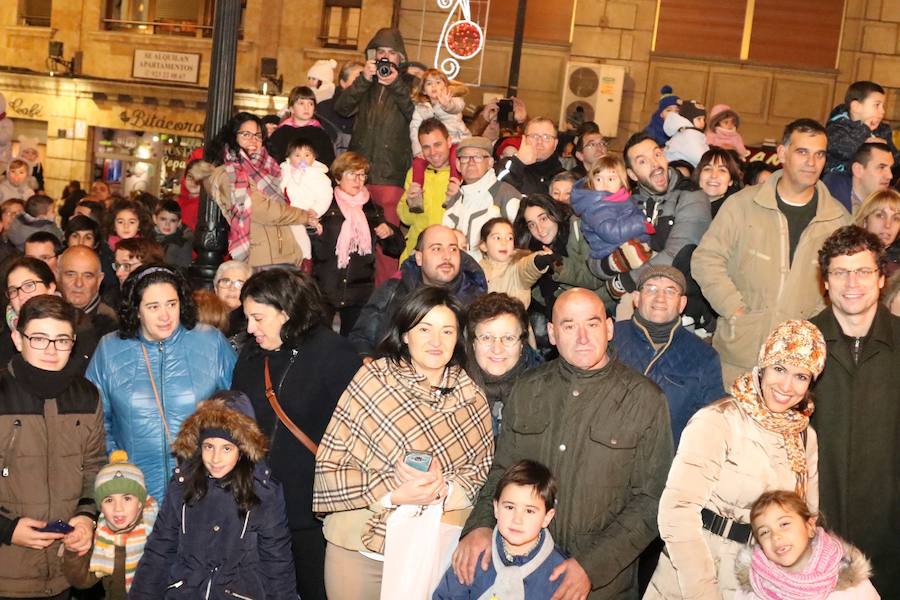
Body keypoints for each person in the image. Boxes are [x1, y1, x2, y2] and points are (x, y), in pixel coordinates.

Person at [453, 288, 673, 599]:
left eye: (592, 324)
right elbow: (503, 470)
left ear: (609, 328)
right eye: (569, 326)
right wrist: (479, 525)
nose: (582, 337)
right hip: (521, 577)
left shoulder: (645, 400)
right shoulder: (529, 389)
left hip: (603, 586)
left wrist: (590, 567)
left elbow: (653, 500)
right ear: (553, 334)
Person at [313, 286, 493, 600]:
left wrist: (444, 490)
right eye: (424, 329)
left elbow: (481, 472)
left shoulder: (471, 396)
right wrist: (393, 493)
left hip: (433, 549)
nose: (436, 341)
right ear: (406, 334)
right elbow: (330, 466)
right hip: (359, 550)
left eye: (447, 331)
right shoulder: (371, 381)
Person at [645, 319, 824, 599]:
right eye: (780, 368)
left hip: (762, 579)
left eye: (801, 376)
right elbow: (676, 511)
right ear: (763, 367)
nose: (787, 386)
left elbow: (807, 517)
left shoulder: (804, 435)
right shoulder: (719, 419)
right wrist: (703, 591)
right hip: (697, 571)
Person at [230, 269, 361, 600]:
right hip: (258, 507)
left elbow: (358, 432)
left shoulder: (334, 354)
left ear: (287, 311)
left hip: (313, 515)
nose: (250, 328)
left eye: (258, 318)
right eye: (247, 318)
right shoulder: (250, 354)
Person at [692, 119, 852, 385]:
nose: (812, 162)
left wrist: (813, 325)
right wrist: (735, 309)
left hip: (796, 366)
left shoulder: (838, 220)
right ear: (781, 154)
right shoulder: (743, 205)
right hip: (739, 356)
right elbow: (706, 259)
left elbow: (844, 285)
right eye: (802, 152)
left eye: (820, 154)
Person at [86, 264, 236, 500]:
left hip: (203, 490)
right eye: (153, 307)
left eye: (171, 304)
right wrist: (117, 464)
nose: (165, 315)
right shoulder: (109, 348)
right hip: (135, 494)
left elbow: (240, 411)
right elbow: (96, 422)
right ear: (136, 310)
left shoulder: (211, 342)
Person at [129, 392, 297, 599]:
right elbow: (159, 551)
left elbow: (277, 562)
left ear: (242, 449)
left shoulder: (264, 493)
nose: (215, 458)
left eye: (226, 448)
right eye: (209, 447)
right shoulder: (181, 486)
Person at [810, 225, 899, 597]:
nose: (852, 282)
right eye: (840, 272)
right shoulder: (800, 343)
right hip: (817, 531)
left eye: (863, 271)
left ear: (881, 278)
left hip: (892, 531)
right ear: (825, 281)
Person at [0, 295, 105, 598]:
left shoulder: (87, 396)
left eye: (61, 340)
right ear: (18, 340)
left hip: (63, 571)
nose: (51, 350)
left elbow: (94, 466)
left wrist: (87, 516)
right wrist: (7, 529)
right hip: (8, 570)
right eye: (39, 338)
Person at [597, 132, 710, 319]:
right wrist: (610, 264)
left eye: (657, 154)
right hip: (631, 303)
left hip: (682, 308)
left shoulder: (691, 195)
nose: (655, 164)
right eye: (643, 161)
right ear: (632, 174)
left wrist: (624, 280)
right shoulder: (627, 202)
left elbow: (678, 253)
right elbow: (598, 250)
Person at [336, 27, 415, 285]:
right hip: (359, 175)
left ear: (400, 58)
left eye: (392, 52)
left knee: (387, 243)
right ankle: (353, 294)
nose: (386, 57)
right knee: (353, 238)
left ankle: (385, 297)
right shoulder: (366, 82)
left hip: (391, 177)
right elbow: (342, 108)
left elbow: (414, 114)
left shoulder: (410, 84)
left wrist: (396, 85)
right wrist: (363, 80)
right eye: (381, 52)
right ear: (373, 55)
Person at [613, 265, 724, 447]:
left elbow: (712, 424)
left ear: (682, 304)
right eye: (651, 289)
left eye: (670, 291)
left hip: (666, 462)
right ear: (636, 298)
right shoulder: (610, 338)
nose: (660, 298)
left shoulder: (704, 357)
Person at [194, 112, 317, 268]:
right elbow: (259, 209)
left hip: (285, 254)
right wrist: (303, 216)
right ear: (233, 137)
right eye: (246, 134)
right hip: (262, 257)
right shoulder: (228, 173)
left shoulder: (268, 168)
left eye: (258, 136)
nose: (253, 140)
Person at [432, 460, 567, 600]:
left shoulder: (559, 573)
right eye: (509, 507)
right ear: (496, 508)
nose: (517, 519)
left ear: (547, 517)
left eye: (529, 511)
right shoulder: (474, 555)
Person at [349, 224, 487, 357]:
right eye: (436, 249)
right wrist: (366, 357)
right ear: (419, 258)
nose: (447, 256)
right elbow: (362, 338)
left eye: (453, 249)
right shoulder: (395, 289)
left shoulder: (476, 297)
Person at [313, 152, 404, 333]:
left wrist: (390, 233)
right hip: (325, 286)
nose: (358, 180)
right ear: (338, 178)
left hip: (359, 290)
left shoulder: (371, 208)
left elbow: (396, 248)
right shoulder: (323, 203)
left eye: (362, 174)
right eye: (352, 174)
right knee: (319, 343)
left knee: (352, 347)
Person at [734, 490, 881, 600]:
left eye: (784, 524)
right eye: (765, 532)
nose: (775, 536)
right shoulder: (754, 588)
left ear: (810, 526)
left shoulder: (851, 583)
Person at [62, 450, 159, 600]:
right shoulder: (100, 535)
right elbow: (81, 580)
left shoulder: (159, 533)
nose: (118, 508)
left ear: (140, 502)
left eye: (127, 498)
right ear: (100, 506)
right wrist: (73, 550)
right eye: (108, 500)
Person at [513, 195, 604, 325]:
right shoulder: (533, 250)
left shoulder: (579, 227)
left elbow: (595, 278)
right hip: (559, 318)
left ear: (554, 213)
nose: (540, 229)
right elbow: (534, 291)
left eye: (543, 219)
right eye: (532, 225)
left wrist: (557, 264)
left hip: (598, 311)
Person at [464, 292, 541, 436]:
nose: (497, 349)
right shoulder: (452, 391)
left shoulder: (544, 390)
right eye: (486, 338)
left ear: (522, 344)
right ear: (473, 343)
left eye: (509, 338)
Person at [570, 155, 653, 274]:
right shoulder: (596, 206)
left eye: (611, 179)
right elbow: (610, 232)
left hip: (627, 242)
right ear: (591, 182)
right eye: (598, 179)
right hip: (610, 249)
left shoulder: (621, 198)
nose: (604, 184)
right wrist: (640, 224)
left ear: (622, 181)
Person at [443, 136, 521, 259]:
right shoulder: (455, 199)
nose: (471, 162)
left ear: (490, 163)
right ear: (458, 164)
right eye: (465, 157)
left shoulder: (507, 195)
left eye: (478, 157)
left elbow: (517, 246)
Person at [398, 119, 454, 262]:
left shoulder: (461, 174)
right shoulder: (415, 173)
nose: (432, 152)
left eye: (437, 144)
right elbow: (405, 219)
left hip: (448, 256)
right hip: (416, 255)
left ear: (449, 141)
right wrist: (410, 202)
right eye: (426, 147)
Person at [409, 69, 467, 194]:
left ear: (446, 86)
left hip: (456, 139)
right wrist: (418, 148)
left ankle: (454, 186)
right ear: (424, 90)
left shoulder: (453, 100)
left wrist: (446, 104)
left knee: (454, 158)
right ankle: (416, 189)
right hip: (433, 144)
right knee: (418, 162)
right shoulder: (421, 107)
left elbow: (457, 107)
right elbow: (415, 128)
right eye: (429, 83)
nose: (434, 86)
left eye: (438, 82)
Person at [279, 136, 333, 267]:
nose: (302, 159)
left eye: (307, 155)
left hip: (304, 211)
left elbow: (325, 195)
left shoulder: (318, 175)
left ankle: (305, 260)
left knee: (299, 234)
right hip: (284, 210)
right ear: (289, 157)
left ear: (314, 158)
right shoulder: (284, 171)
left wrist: (316, 210)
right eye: (297, 155)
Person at [477, 217, 554, 309]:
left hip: (515, 321)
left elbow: (528, 267)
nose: (504, 242)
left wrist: (541, 259)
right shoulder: (476, 269)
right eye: (497, 238)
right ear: (483, 246)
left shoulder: (517, 267)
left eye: (509, 238)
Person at [825, 80, 898, 175]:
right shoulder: (836, 129)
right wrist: (865, 129)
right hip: (837, 182)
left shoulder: (882, 130)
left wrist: (886, 148)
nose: (883, 111)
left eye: (883, 106)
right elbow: (849, 152)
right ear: (856, 107)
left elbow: (895, 160)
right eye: (877, 105)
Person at [1, 255, 58, 367]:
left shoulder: (77, 328)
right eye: (13, 290)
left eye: (29, 285)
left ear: (50, 288)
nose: (21, 296)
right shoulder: (4, 342)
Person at [58, 245, 118, 339]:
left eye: (88, 276)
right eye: (71, 275)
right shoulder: (44, 316)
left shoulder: (112, 326)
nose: (79, 283)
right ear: (58, 276)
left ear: (99, 280)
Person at [495, 117, 565, 195]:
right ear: (524, 139)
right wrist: (519, 162)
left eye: (546, 137)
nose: (539, 142)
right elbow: (496, 192)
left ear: (555, 144)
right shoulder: (509, 166)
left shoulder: (564, 177)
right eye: (534, 136)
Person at [823, 142, 894, 213]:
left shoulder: (892, 205)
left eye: (891, 168)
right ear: (858, 170)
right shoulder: (831, 204)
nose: (890, 176)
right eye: (881, 167)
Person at [316, 60, 365, 157]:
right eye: (358, 79)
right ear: (343, 82)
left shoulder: (369, 110)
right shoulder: (323, 108)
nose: (363, 84)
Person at [854, 188, 899, 276]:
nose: (888, 225)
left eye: (896, 218)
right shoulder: (847, 257)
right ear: (865, 220)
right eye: (880, 215)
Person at [693, 146, 743, 219]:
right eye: (707, 169)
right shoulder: (681, 204)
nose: (714, 175)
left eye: (722, 170)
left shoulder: (736, 215)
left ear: (730, 181)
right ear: (699, 175)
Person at [663, 101, 709, 168]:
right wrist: (710, 161)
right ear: (688, 118)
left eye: (704, 119)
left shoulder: (688, 132)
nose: (703, 122)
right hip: (678, 170)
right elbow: (699, 157)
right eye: (699, 119)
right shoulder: (689, 134)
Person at [152, 199, 193, 268]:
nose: (167, 224)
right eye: (163, 219)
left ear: (179, 223)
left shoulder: (181, 244)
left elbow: (183, 270)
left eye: (173, 220)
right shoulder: (147, 239)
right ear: (155, 219)